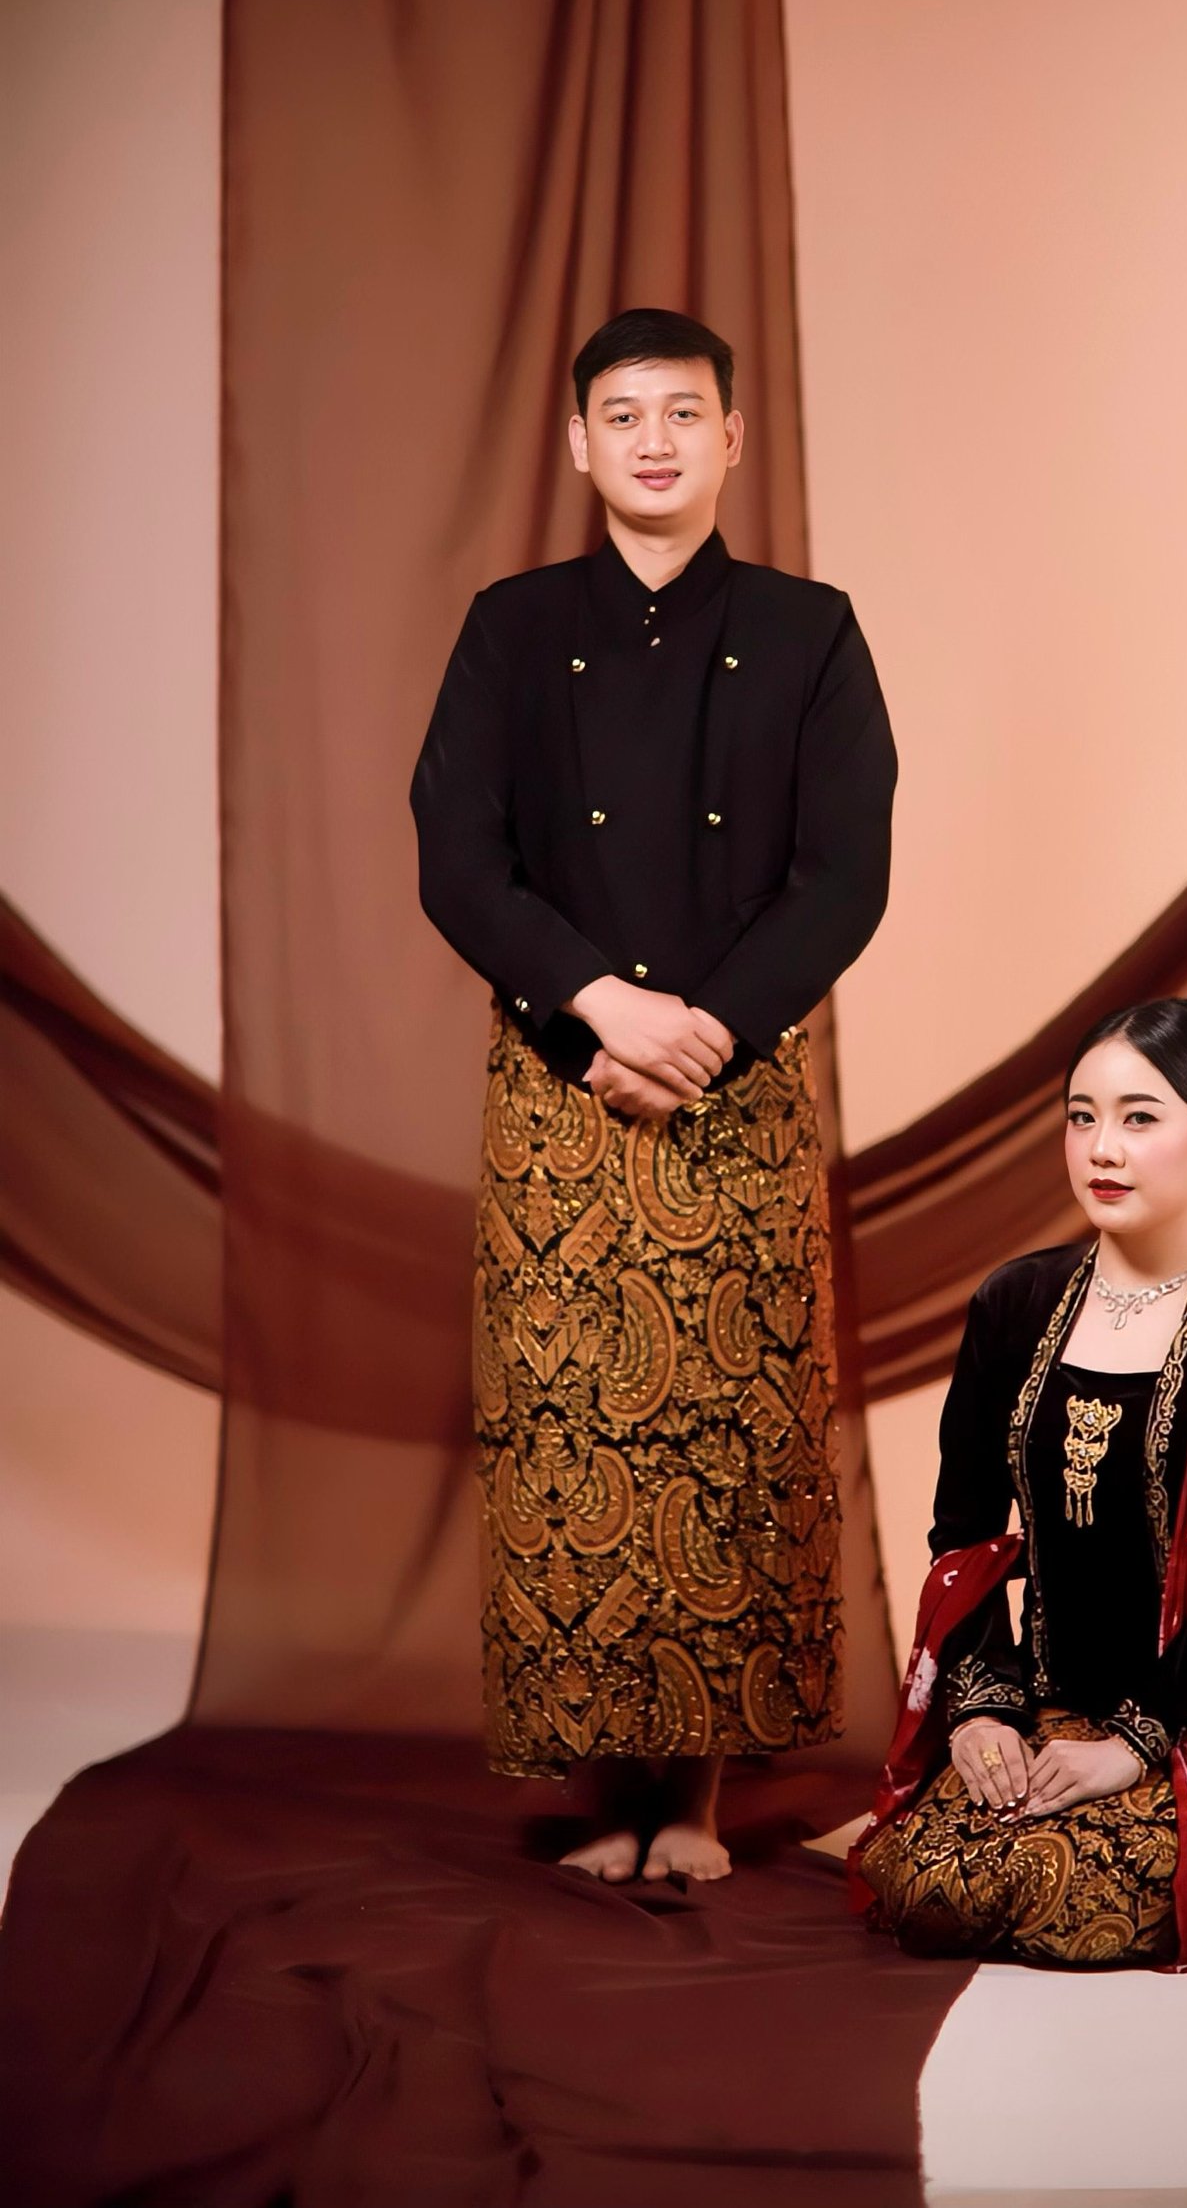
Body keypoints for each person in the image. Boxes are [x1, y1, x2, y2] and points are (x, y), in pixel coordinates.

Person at [410, 307, 896, 1882]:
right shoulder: (509, 627)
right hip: (561, 1079)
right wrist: (600, 1007)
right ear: (579, 443)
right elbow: (455, 854)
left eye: (684, 412)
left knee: (726, 1431)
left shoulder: (813, 631)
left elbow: (846, 874)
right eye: (623, 415)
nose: (655, 441)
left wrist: (712, 1028)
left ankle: (690, 1806)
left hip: (736, 1088)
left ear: (732, 437)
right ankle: (605, 1792)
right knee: (566, 1427)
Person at [851, 997, 1187, 1969]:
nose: (1101, 1149)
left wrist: (1130, 1745)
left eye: (1139, 1118)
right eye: (1081, 1116)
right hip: (1050, 1702)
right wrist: (983, 1706)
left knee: (1064, 1894)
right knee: (928, 1882)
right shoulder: (1014, 1303)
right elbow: (963, 1534)